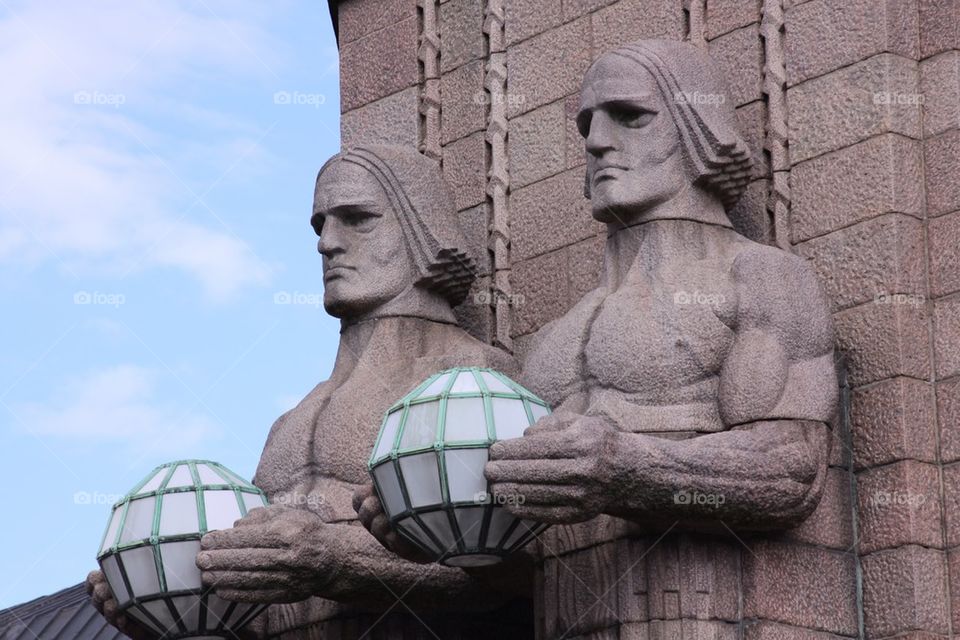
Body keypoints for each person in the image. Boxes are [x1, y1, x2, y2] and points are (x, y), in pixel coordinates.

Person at [88, 145, 534, 639]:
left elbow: (507, 571)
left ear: (421, 228)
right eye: (320, 224)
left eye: (356, 218)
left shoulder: (475, 375)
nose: (327, 243)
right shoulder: (291, 422)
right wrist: (170, 606)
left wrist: (333, 561)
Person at [478, 39, 838, 638]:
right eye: (587, 124)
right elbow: (508, 557)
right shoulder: (551, 342)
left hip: (716, 616)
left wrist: (629, 467)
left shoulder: (759, 275)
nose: (596, 142)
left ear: (700, 130)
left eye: (630, 116)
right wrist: (429, 529)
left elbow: (789, 471)